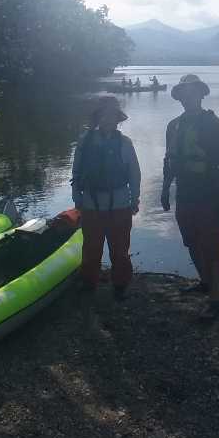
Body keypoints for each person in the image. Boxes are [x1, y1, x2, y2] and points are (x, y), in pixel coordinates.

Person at [159, 73, 219, 320]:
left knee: (211, 244)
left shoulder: (214, 125)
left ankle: (215, 297)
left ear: (200, 94)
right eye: (183, 93)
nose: (187, 97)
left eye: (191, 92)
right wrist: (164, 188)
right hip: (184, 190)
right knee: (190, 240)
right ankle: (204, 282)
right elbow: (169, 160)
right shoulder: (173, 125)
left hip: (208, 191)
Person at [71, 93, 141, 299]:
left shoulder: (125, 143)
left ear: (117, 119)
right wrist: (77, 199)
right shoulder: (84, 142)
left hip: (119, 204)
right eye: (104, 115)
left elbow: (134, 173)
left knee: (120, 249)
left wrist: (134, 198)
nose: (108, 119)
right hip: (91, 204)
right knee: (91, 247)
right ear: (98, 117)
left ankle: (120, 285)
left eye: (112, 115)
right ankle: (89, 283)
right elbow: (76, 172)